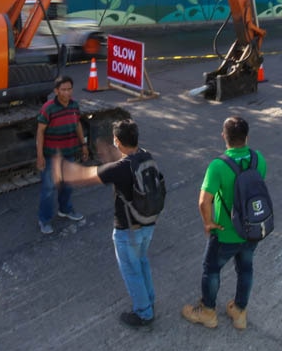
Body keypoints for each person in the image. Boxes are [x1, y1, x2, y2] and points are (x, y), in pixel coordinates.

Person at [54, 119, 158, 328]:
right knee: (142, 263)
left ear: (118, 141)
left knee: (131, 270)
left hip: (128, 230)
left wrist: (61, 169)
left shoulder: (119, 168)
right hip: (148, 224)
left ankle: (144, 313)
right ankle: (150, 302)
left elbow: (86, 176)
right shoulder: (145, 155)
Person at [181, 115, 266, 330]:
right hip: (251, 229)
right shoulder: (259, 159)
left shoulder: (218, 166)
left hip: (225, 232)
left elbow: (203, 202)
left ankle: (208, 312)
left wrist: (208, 223)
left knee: (211, 269)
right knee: (246, 269)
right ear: (247, 137)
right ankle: (239, 312)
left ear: (223, 137)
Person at [35, 75, 88, 234]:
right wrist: (40, 156)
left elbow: (77, 124)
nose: (67, 92)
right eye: (63, 90)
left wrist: (84, 144)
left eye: (69, 89)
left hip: (69, 152)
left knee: (68, 185)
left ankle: (65, 209)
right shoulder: (48, 108)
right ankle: (44, 219)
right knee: (49, 188)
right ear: (56, 91)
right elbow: (40, 132)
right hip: (51, 155)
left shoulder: (74, 106)